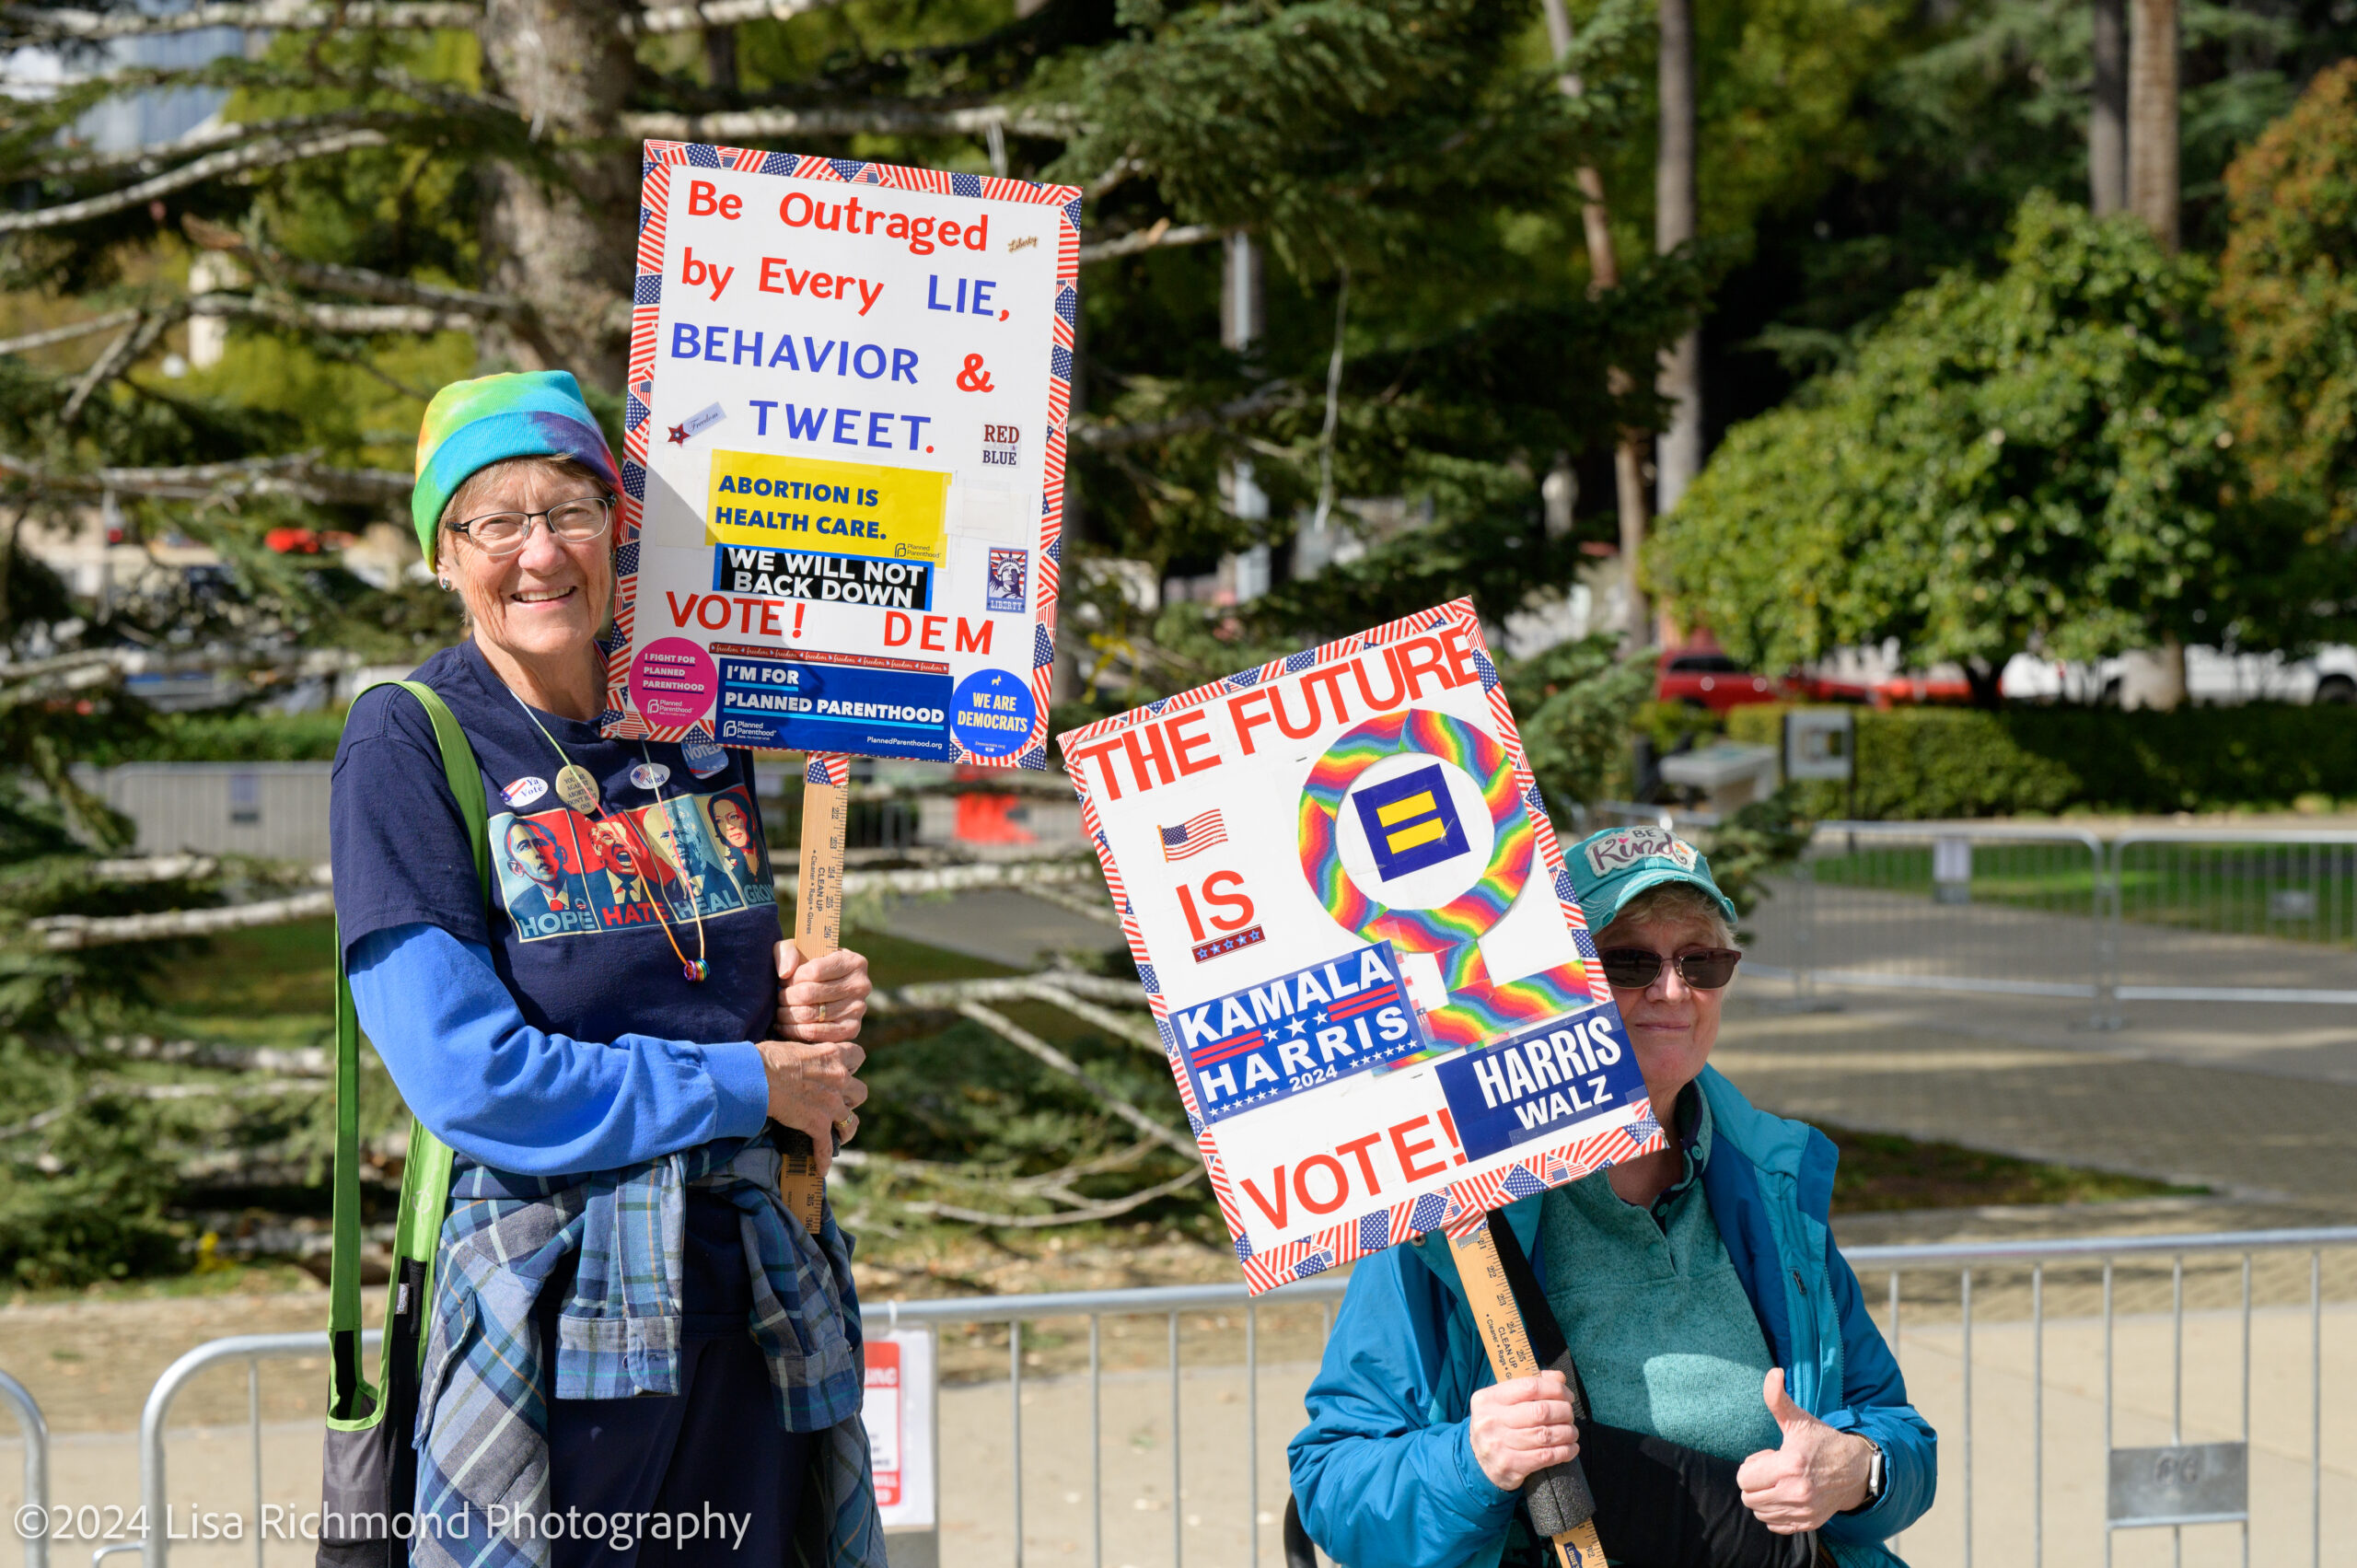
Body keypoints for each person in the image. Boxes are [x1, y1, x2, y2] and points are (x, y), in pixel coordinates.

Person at [331, 370, 883, 1568]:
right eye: (494, 519)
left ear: (618, 529)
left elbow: (696, 989)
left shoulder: (688, 710)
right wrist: (746, 1077)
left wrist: (788, 998)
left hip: (752, 1304)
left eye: (573, 508)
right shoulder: (409, 736)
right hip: (558, 1322)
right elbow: (472, 1075)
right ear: (442, 553)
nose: (540, 551)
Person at [1288, 826, 1935, 1568]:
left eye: (1702, 960)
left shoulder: (1772, 1183)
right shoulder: (1454, 1205)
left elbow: (1899, 1434)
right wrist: (1475, 1459)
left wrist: (1858, 1471)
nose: (1672, 990)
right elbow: (1333, 1484)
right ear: (1557, 982)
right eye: (1626, 960)